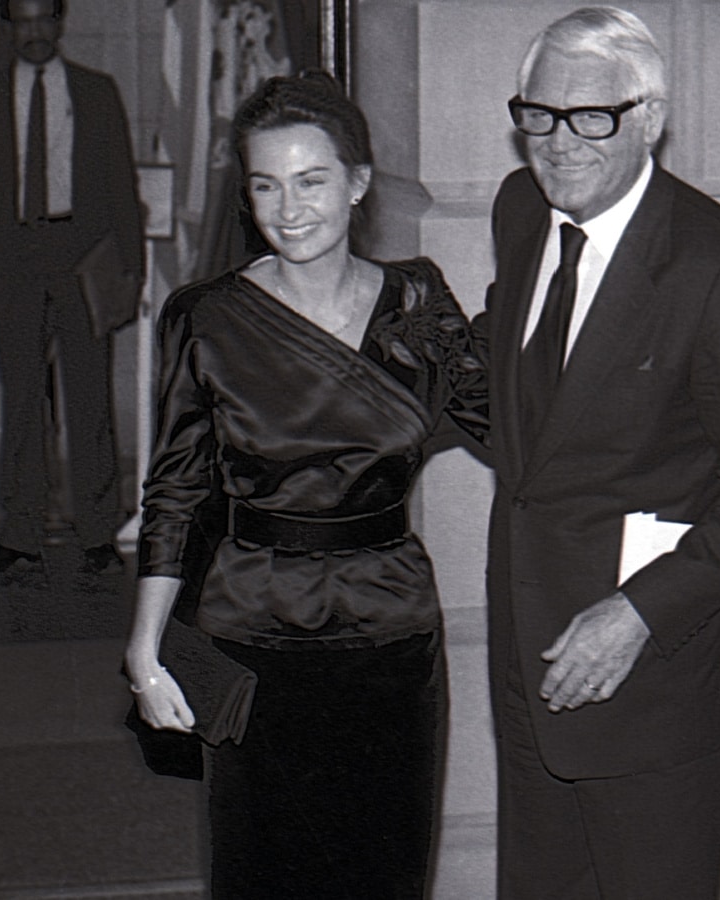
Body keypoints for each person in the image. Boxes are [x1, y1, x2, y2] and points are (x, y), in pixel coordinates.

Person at [480, 7, 720, 898]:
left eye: (592, 117)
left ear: (651, 120)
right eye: (538, 115)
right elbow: (526, 407)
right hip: (529, 666)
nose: (559, 144)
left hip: (654, 683)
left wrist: (635, 613)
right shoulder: (522, 214)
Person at [125, 71, 486, 900]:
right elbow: (175, 493)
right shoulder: (205, 316)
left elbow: (515, 418)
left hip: (390, 630)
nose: (289, 209)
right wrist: (146, 652)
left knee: (386, 870)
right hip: (253, 628)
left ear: (358, 184)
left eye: (312, 181)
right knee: (260, 873)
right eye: (265, 185)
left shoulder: (417, 302)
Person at [0, 0, 144, 579]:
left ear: (61, 23)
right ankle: (21, 531)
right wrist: (5, 224)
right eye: (21, 21)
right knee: (23, 398)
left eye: (43, 20)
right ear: (9, 27)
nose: (33, 32)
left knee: (89, 397)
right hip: (13, 260)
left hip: (82, 257)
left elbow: (121, 183)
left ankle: (98, 531)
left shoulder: (96, 90)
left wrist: (128, 269)